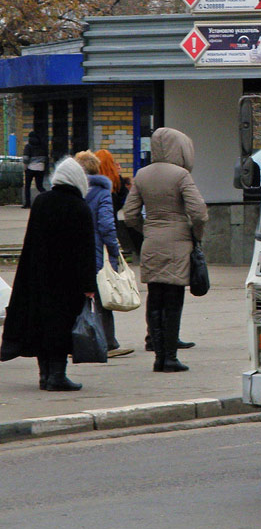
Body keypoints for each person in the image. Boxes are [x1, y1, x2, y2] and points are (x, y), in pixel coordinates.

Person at [0, 158, 97, 391]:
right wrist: (89, 285)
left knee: (42, 324)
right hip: (68, 280)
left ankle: (44, 375)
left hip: (38, 276)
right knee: (62, 326)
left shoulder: (42, 201)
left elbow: (30, 241)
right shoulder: (79, 206)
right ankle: (57, 375)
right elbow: (85, 250)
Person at [124, 128, 208, 373]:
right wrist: (194, 234)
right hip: (178, 242)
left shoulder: (142, 175)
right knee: (173, 300)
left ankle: (158, 356)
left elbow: (129, 215)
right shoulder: (181, 175)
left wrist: (147, 229)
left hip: (151, 241)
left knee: (155, 297)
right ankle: (170, 357)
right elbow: (199, 212)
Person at [76, 151, 132, 358]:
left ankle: (75, 339)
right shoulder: (102, 192)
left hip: (72, 252)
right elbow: (107, 225)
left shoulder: (71, 191)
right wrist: (115, 252)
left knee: (75, 297)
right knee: (102, 297)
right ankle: (108, 341)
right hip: (95, 251)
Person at [20, 131, 48, 208]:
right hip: (41, 168)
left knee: (27, 186)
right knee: (40, 186)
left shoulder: (28, 146)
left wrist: (25, 166)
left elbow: (26, 158)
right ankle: (48, 199)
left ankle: (27, 204)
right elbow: (45, 158)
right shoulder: (42, 146)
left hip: (30, 168)